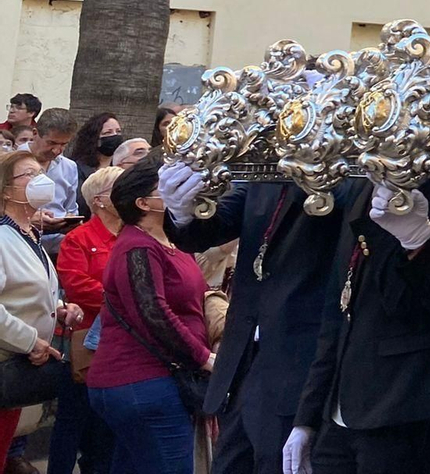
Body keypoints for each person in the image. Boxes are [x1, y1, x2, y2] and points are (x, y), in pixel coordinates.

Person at [160, 151, 351, 474]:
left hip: (300, 363)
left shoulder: (345, 172)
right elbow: (210, 228)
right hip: (244, 358)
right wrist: (181, 209)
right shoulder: (266, 172)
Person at [289, 173, 430, 473]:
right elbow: (338, 312)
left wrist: (412, 240)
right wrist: (306, 417)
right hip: (340, 411)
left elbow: (412, 302)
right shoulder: (363, 182)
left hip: (401, 411)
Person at [88, 156, 213, 474]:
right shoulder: (138, 248)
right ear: (143, 203)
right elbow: (152, 313)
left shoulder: (168, 240)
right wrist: (203, 357)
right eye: (165, 185)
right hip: (141, 382)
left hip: (147, 383)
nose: (177, 187)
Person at [0, 149, 80, 456]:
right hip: (8, 359)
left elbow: (26, 292)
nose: (41, 179)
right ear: (7, 190)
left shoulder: (30, 235)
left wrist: (58, 309)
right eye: (29, 174)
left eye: (40, 172)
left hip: (17, 362)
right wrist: (31, 341)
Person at [53, 166, 124, 474]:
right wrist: (124, 300)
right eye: (119, 189)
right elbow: (76, 283)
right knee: (73, 418)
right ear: (100, 200)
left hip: (122, 340)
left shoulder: (132, 236)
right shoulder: (79, 238)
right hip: (88, 340)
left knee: (108, 424)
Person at [29, 108, 79, 234]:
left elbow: (71, 208)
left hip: (59, 243)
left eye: (63, 145)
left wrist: (70, 221)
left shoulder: (69, 167)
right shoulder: (8, 162)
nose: (56, 150)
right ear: (35, 133)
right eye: (51, 143)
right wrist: (28, 218)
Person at [67, 114, 122, 213]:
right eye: (107, 133)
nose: (114, 136)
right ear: (95, 139)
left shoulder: (120, 168)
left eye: (118, 132)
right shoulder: (76, 169)